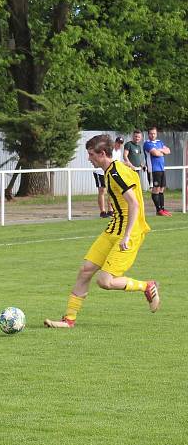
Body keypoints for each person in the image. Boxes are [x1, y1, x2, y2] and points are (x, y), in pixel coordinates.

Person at [45, 134, 159, 328]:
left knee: (105, 281)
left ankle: (146, 286)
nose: (89, 158)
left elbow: (134, 204)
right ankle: (69, 319)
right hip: (113, 229)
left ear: (103, 153)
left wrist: (127, 234)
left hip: (128, 233)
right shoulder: (109, 171)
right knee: (85, 271)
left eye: (91, 154)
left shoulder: (116, 173)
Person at [143, 126, 172, 216]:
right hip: (153, 170)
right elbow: (156, 153)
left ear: (156, 134)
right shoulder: (147, 144)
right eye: (151, 133)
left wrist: (161, 150)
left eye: (154, 133)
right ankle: (158, 209)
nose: (152, 135)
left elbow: (168, 151)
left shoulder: (159, 142)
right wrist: (161, 151)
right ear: (148, 134)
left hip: (161, 169)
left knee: (162, 189)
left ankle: (162, 208)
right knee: (155, 189)